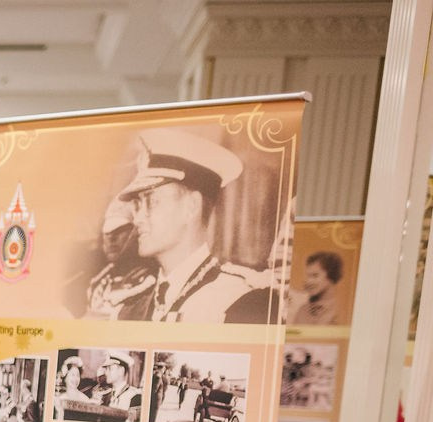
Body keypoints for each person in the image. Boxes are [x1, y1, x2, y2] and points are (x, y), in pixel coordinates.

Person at [116, 129, 276, 324]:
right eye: (138, 205)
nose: (138, 218)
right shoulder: (128, 308)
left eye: (152, 201)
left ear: (191, 207)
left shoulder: (239, 301)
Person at [294, 251, 345, 325]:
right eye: (308, 276)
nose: (308, 281)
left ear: (331, 276)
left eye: (315, 276)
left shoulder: (342, 311)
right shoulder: (302, 311)